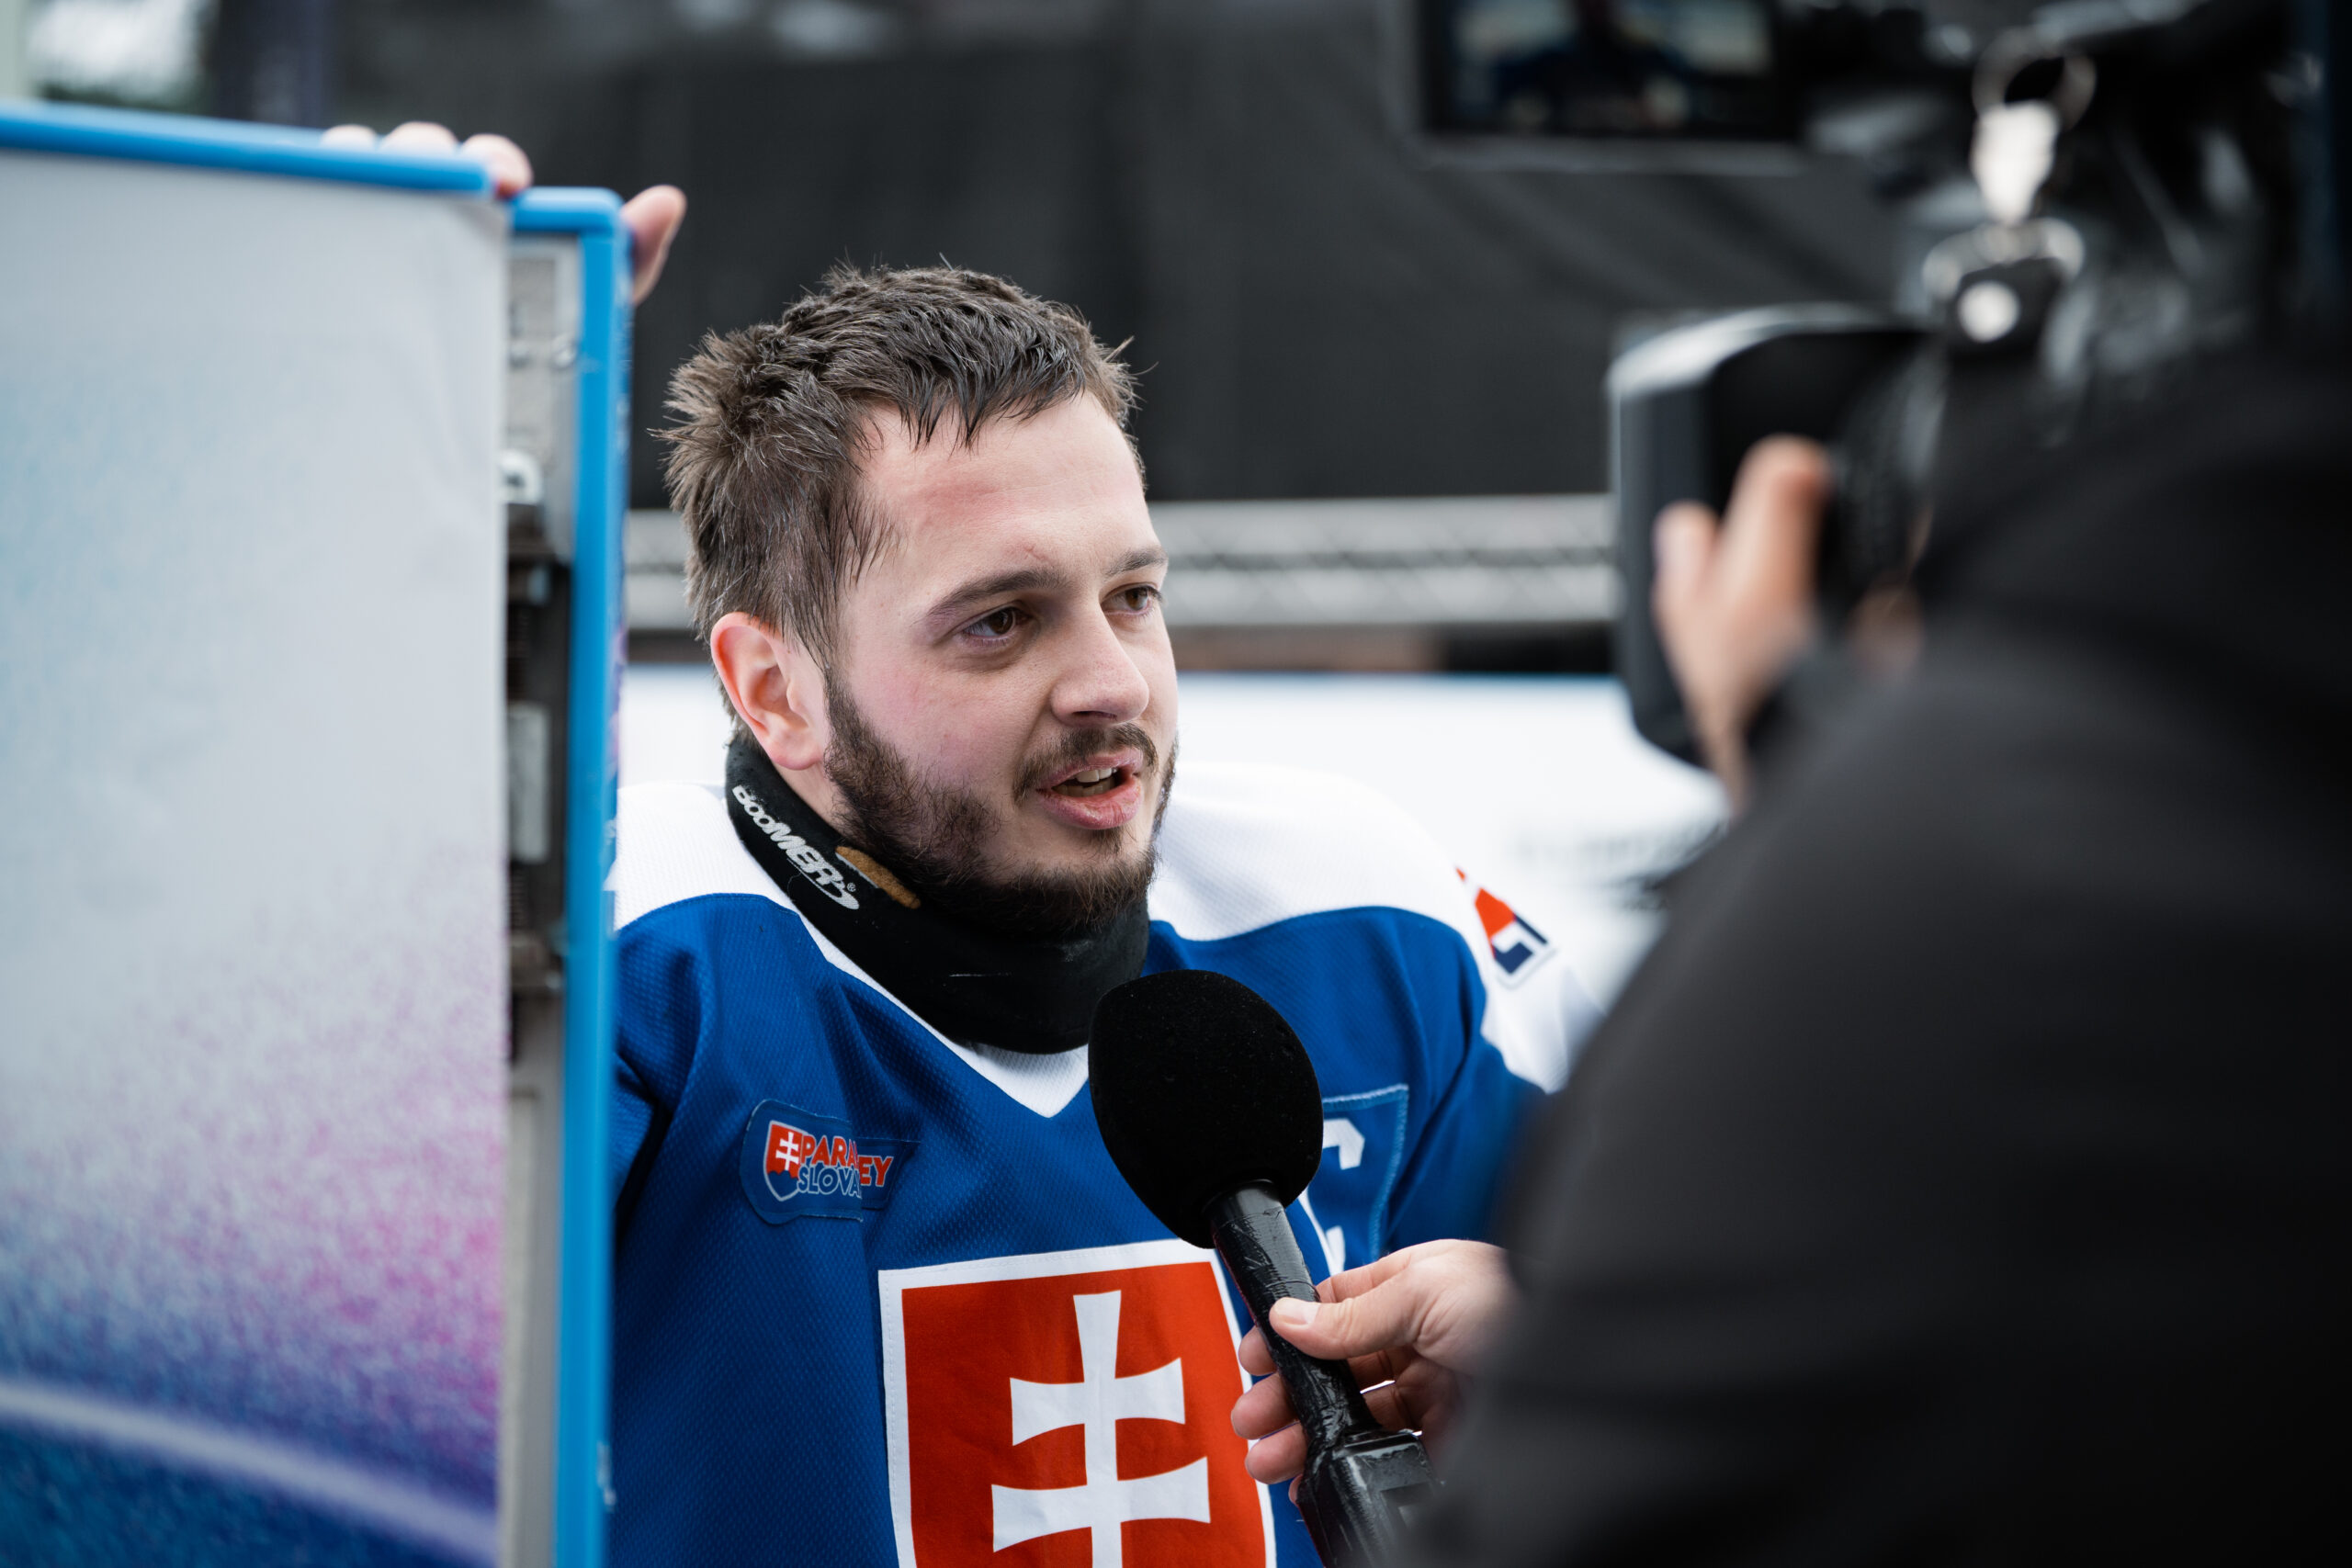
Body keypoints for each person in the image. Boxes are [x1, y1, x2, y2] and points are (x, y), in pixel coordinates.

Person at [601, 263, 1596, 1568]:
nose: (1113, 682)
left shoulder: (1372, 912)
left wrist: (1584, 1396)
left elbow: (1760, 1405)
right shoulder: (630, 956)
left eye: (1133, 596)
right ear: (776, 690)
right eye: (1000, 623)